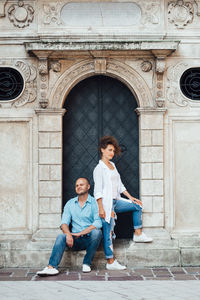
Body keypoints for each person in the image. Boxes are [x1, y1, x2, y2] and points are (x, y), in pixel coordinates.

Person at [93, 136, 153, 271]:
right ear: (102, 150)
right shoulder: (99, 169)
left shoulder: (112, 166)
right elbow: (97, 191)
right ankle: (110, 261)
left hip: (116, 201)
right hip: (106, 204)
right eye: (109, 150)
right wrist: (101, 208)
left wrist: (131, 197)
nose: (112, 153)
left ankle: (137, 234)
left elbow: (119, 185)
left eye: (113, 151)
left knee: (137, 205)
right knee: (108, 233)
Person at [37, 178, 102, 276]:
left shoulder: (94, 203)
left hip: (89, 239)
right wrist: (68, 234)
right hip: (74, 240)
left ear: (88, 187)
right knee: (61, 237)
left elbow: (98, 223)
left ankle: (86, 263)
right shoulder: (70, 203)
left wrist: (81, 233)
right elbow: (64, 223)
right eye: (77, 185)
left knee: (97, 232)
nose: (78, 187)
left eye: (81, 185)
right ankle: (52, 267)